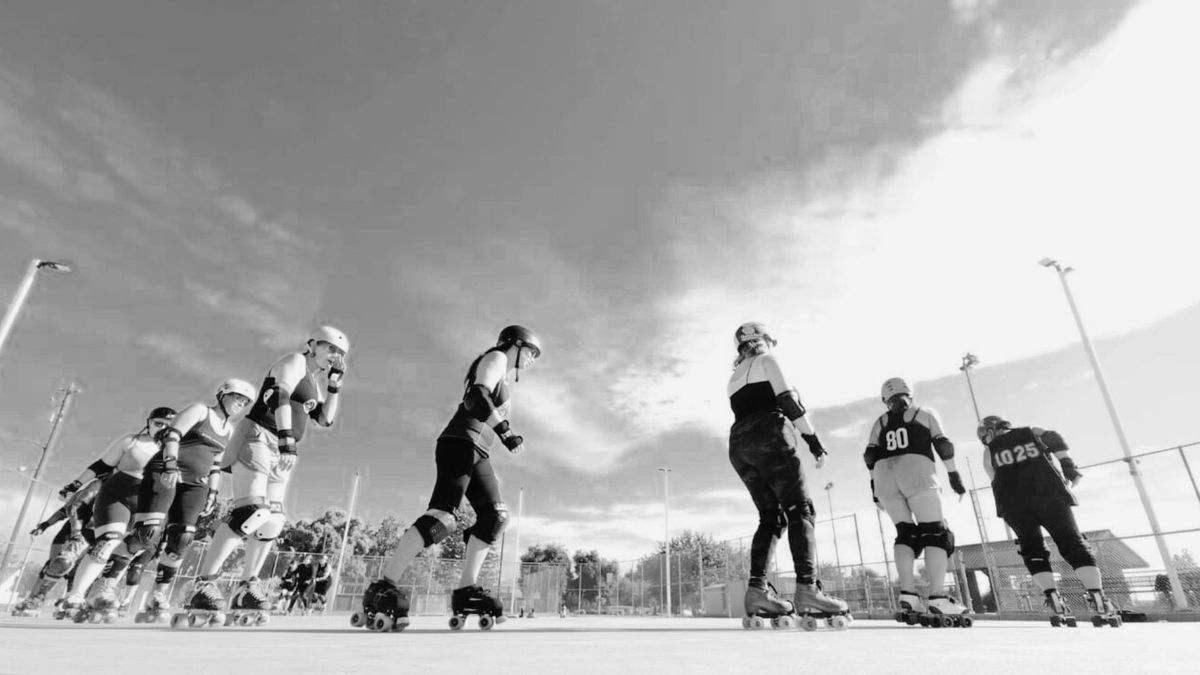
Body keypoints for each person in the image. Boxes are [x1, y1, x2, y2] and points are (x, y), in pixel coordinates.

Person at [360, 325, 542, 630]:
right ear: (516, 345)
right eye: (532, 352)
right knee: (443, 518)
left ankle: (466, 591)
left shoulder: (504, 374)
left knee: (494, 516)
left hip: (478, 449)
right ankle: (383, 586)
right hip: (460, 441)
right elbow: (477, 396)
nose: (533, 359)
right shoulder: (496, 357)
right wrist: (506, 430)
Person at [186, 327, 348, 615]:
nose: (334, 356)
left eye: (339, 353)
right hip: (260, 436)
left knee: (273, 520)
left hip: (283, 449)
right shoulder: (294, 362)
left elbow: (325, 420)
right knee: (250, 511)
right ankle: (203, 583)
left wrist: (335, 386)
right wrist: (287, 440)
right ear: (313, 345)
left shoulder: (315, 382)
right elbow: (280, 397)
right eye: (330, 349)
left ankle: (247, 587)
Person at [101, 379, 255, 619]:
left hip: (197, 484)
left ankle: (158, 595)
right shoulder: (200, 410)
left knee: (182, 538)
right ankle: (105, 587)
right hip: (166, 470)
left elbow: (216, 464)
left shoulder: (230, 431)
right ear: (222, 394)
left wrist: (213, 493)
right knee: (146, 533)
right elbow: (172, 434)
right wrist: (170, 464)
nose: (240, 403)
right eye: (237, 397)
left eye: (245, 401)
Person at [726, 322, 846, 619]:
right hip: (771, 434)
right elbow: (787, 401)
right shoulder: (768, 360)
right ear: (764, 341)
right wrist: (814, 442)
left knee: (770, 518)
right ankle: (808, 590)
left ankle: (757, 593)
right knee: (801, 511)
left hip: (739, 443)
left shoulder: (733, 378)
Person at [978, 415, 1121, 624]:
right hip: (1048, 495)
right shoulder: (1030, 432)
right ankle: (1098, 597)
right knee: (1072, 542)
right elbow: (1053, 438)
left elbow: (994, 478)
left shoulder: (988, 452)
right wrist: (1067, 465)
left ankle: (1053, 599)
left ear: (992, 429)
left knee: (1032, 549)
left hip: (1013, 504)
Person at [56, 407, 177, 617]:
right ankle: (75, 595)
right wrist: (74, 485)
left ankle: (104, 591)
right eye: (158, 423)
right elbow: (102, 465)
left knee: (134, 546)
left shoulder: (176, 450)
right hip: (118, 494)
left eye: (168, 426)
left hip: (149, 501)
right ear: (148, 422)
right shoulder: (132, 441)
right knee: (108, 541)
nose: (162, 428)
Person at [864, 378, 968, 621]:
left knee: (905, 533)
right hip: (917, 470)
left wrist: (873, 489)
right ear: (909, 394)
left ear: (884, 401)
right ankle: (937, 598)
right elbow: (943, 444)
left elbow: (870, 455)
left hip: (884, 476)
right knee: (935, 532)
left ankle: (908, 595)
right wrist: (954, 475)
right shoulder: (924, 412)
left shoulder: (880, 421)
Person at [10, 480, 101, 616]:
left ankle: (70, 601)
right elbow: (65, 511)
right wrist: (44, 526)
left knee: (79, 571)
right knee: (58, 564)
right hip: (70, 534)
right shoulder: (94, 490)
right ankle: (35, 598)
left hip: (94, 539)